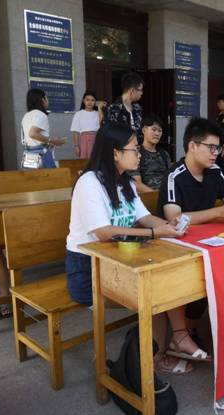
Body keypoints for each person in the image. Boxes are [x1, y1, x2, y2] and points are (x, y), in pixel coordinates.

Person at [66, 122, 205, 374]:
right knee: (157, 293)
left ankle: (167, 348)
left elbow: (144, 217)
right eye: (134, 150)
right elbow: (104, 232)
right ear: (115, 153)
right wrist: (154, 232)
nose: (139, 155)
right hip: (89, 271)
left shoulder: (126, 183)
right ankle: (168, 348)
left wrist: (168, 225)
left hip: (121, 261)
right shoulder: (89, 183)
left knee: (164, 285)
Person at [158, 117, 224, 349]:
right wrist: (217, 213)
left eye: (218, 148)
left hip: (208, 243)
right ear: (192, 146)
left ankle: (196, 328)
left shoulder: (214, 171)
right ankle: (182, 334)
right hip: (177, 246)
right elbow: (174, 219)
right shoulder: (174, 175)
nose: (216, 153)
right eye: (211, 147)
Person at [21, 89, 67, 168]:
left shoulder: (26, 115)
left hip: (28, 156)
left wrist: (49, 142)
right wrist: (53, 141)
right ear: (43, 99)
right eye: (47, 98)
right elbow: (32, 134)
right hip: (41, 155)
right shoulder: (41, 115)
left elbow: (31, 138)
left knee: (33, 179)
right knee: (49, 178)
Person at [130, 115, 171, 192]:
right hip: (146, 198)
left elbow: (171, 178)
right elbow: (136, 184)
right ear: (144, 130)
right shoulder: (135, 152)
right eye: (154, 129)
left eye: (160, 131)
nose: (157, 134)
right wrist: (156, 196)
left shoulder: (164, 154)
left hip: (166, 196)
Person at [107, 72, 144, 143]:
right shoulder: (114, 109)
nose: (141, 93)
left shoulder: (137, 108)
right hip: (121, 149)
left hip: (137, 149)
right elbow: (110, 134)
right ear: (132, 90)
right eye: (140, 90)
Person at [70, 91, 105, 159]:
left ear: (95, 102)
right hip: (83, 140)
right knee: (84, 162)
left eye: (92, 100)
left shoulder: (98, 113)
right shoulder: (78, 114)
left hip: (96, 139)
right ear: (83, 101)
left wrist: (99, 108)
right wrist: (76, 146)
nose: (90, 102)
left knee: (95, 160)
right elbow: (75, 132)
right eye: (87, 100)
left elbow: (102, 124)